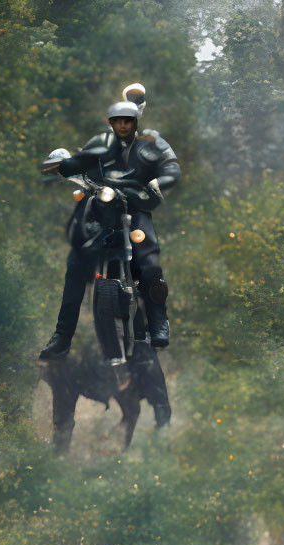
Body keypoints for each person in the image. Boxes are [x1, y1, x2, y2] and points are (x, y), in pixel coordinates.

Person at [38, 95, 180, 359]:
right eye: (118, 121)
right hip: (102, 210)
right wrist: (61, 166)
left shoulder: (150, 143)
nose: (123, 125)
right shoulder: (100, 144)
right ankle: (62, 335)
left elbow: (171, 166)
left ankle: (159, 321)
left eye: (128, 120)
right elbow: (77, 163)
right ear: (111, 122)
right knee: (76, 264)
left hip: (135, 207)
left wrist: (159, 183)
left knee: (149, 260)